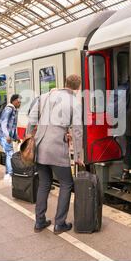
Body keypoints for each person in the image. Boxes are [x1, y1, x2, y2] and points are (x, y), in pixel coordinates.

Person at [26, 75, 85, 235]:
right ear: (78, 89)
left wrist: (27, 139)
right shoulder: (76, 103)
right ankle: (60, 223)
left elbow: (31, 119)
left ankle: (39, 222)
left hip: (39, 148)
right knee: (66, 183)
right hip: (56, 150)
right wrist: (78, 156)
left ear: (65, 84)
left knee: (44, 183)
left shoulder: (45, 96)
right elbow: (78, 131)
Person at [0, 94, 21, 183]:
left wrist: (16, 137)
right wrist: (7, 136)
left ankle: (8, 173)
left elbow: (13, 126)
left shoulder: (14, 110)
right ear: (14, 101)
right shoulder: (9, 109)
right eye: (18, 102)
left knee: (8, 154)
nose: (20, 104)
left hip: (5, 136)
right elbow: (4, 123)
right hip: (3, 136)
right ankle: (9, 174)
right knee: (10, 153)